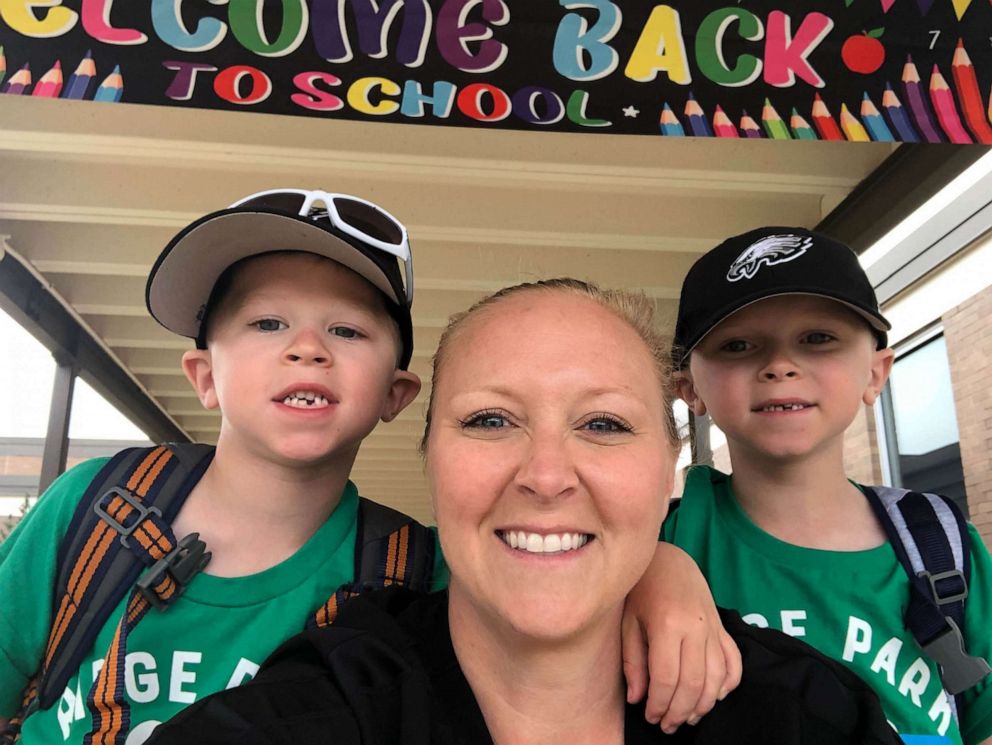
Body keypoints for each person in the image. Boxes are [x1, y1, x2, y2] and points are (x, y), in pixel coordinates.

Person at [0, 191, 735, 745]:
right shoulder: (96, 511)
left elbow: (553, 580)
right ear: (203, 375)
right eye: (266, 322)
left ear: (396, 394)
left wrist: (660, 570)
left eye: (347, 329)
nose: (307, 348)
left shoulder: (412, 568)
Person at [149, 278, 902, 745]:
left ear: (669, 465)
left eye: (603, 424)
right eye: (489, 421)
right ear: (430, 458)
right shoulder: (321, 709)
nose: (546, 476)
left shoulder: (805, 716)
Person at [663, 227, 992, 744]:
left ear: (876, 373)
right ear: (689, 390)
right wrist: (660, 571)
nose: (779, 366)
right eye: (738, 344)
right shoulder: (662, 543)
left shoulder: (941, 545)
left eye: (818, 338)